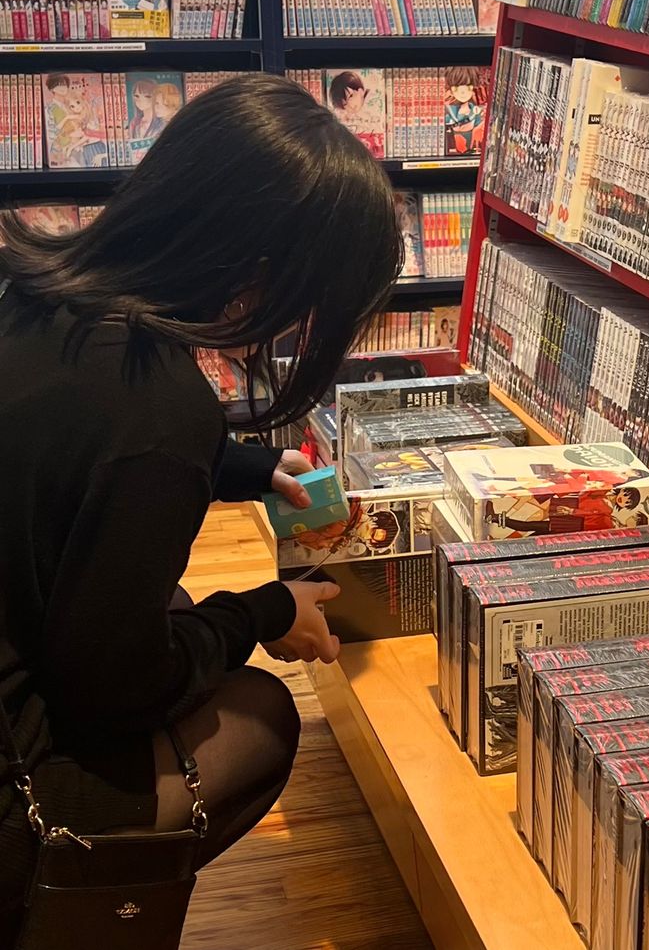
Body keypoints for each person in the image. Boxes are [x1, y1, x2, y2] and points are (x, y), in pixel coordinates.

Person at [0, 72, 403, 940]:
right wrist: (262, 611)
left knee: (176, 614)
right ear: (256, 282)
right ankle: (66, 902)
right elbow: (115, 687)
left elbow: (75, 462)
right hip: (16, 777)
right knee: (260, 718)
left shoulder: (39, 291)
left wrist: (248, 468)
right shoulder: (155, 404)